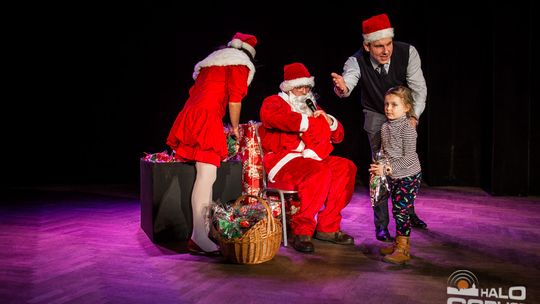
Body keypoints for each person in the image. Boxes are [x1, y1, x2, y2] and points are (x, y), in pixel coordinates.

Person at [331, 13, 428, 243]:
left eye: (388, 44)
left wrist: (412, 117)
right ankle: (382, 225)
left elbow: (419, 89)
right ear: (367, 46)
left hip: (403, 112)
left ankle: (407, 211)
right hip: (376, 114)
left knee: (406, 161)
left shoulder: (408, 52)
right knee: (381, 170)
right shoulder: (356, 61)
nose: (386, 51)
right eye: (378, 46)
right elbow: (348, 84)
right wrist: (342, 88)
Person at [166, 32, 258, 255]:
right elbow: (235, 99)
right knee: (206, 177)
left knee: (206, 176)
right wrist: (235, 128)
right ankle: (198, 236)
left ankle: (202, 233)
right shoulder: (239, 63)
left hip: (191, 114)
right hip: (207, 118)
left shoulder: (212, 63)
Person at [259, 62, 357, 253]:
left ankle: (328, 227)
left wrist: (328, 121)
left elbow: (338, 136)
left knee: (346, 167)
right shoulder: (275, 102)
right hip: (284, 160)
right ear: (288, 88)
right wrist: (309, 123)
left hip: (312, 157)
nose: (304, 91)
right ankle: (301, 230)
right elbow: (271, 118)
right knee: (319, 171)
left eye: (307, 87)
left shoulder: (312, 106)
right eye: (299, 87)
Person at [369, 85, 422, 264]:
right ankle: (397, 243)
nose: (388, 108)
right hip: (393, 175)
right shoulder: (385, 127)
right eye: (386, 104)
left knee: (401, 211)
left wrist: (387, 168)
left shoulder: (407, 129)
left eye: (394, 105)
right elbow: (385, 151)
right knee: (396, 209)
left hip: (409, 175)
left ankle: (403, 248)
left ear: (407, 108)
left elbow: (410, 157)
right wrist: (380, 165)